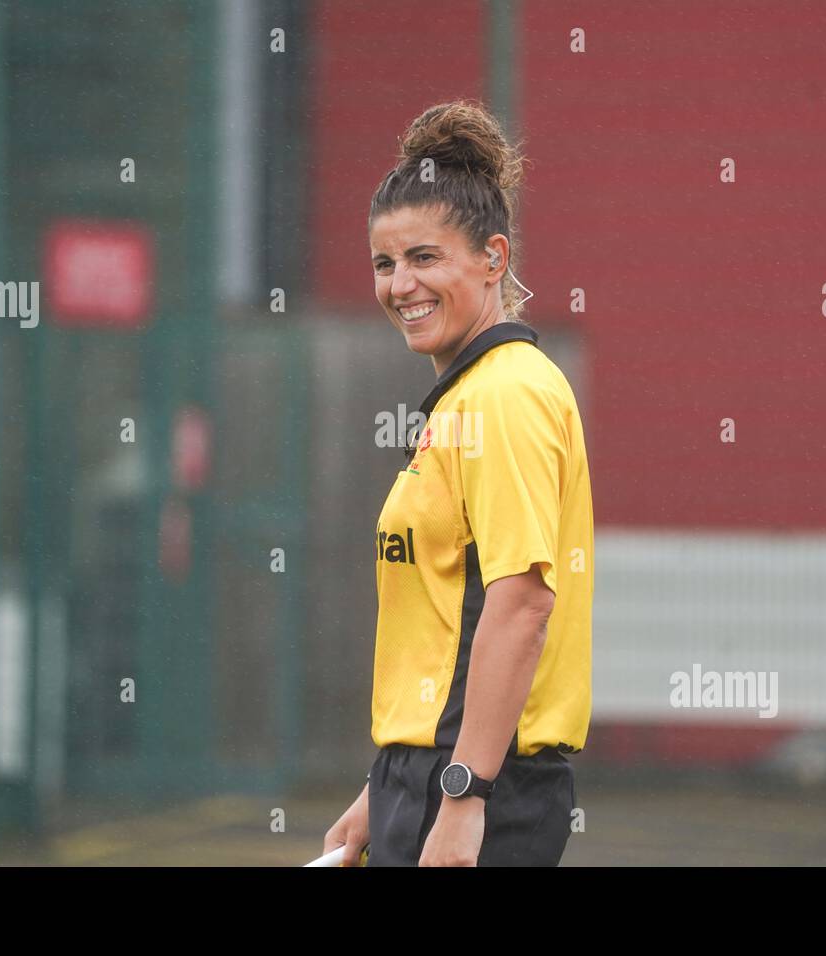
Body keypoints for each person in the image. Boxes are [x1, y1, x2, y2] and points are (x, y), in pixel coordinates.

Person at [323, 100, 594, 867]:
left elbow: (522, 602)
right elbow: (444, 630)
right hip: (427, 778)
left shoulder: (507, 392)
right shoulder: (464, 399)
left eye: (425, 257)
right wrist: (384, 790)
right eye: (385, 263)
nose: (401, 284)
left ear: (493, 257)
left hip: (484, 790)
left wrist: (463, 793)